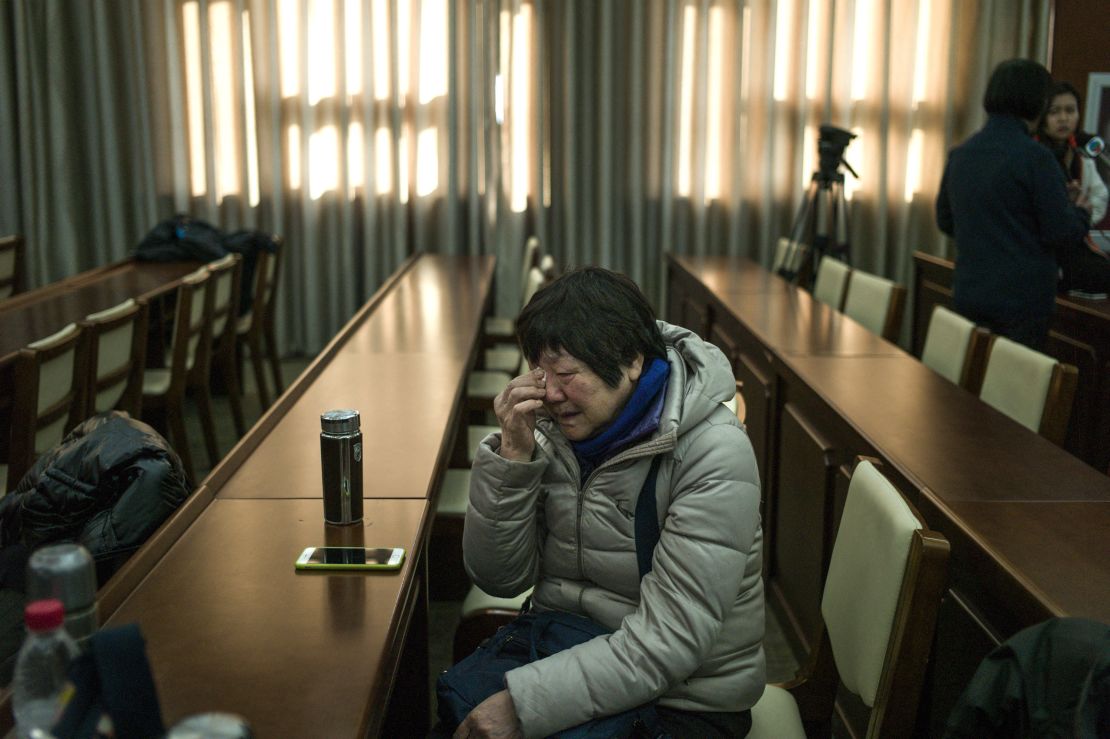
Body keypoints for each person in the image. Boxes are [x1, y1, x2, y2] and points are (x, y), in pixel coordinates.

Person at [456, 267, 765, 738]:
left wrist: (524, 706)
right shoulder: (547, 428)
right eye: (540, 374)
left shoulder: (712, 452)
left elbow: (670, 642)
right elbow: (499, 578)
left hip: (685, 697)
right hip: (562, 646)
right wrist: (512, 460)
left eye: (566, 375)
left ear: (633, 361)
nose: (551, 395)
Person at [936, 59, 1092, 348]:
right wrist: (1081, 212)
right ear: (1038, 103)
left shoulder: (961, 153)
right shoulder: (1036, 158)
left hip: (969, 292)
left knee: (969, 386)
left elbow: (945, 220)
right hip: (1022, 303)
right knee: (1013, 391)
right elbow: (1060, 232)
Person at [1036, 80, 1110, 295]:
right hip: (1044, 250)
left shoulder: (1081, 154)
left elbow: (1099, 196)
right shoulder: (1034, 155)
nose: (1063, 118)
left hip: (1074, 241)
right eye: (1054, 112)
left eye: (1070, 110)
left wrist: (1082, 215)